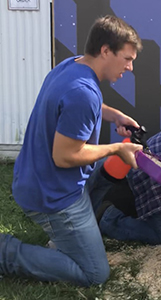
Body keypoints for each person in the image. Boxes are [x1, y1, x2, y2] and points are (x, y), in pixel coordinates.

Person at [0, 15, 144, 287]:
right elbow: (65, 156)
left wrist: (115, 116)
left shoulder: (71, 66)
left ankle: (67, 237)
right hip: (53, 195)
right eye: (127, 58)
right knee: (93, 273)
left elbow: (71, 106)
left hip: (33, 177)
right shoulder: (84, 92)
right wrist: (115, 149)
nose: (130, 67)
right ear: (105, 50)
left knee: (99, 174)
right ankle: (6, 253)